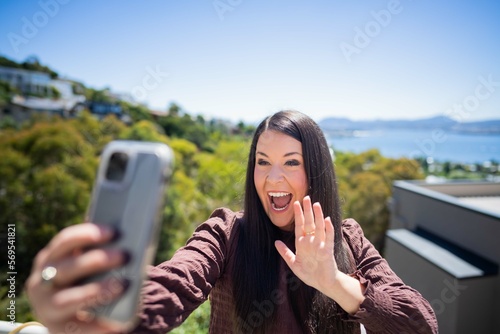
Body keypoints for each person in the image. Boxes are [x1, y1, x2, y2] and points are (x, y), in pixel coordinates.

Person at [26, 110, 438, 333]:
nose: (272, 178)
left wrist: (333, 282)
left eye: (291, 163)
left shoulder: (347, 238)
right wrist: (102, 307)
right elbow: (176, 280)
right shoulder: (228, 233)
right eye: (262, 162)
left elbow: (421, 325)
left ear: (316, 172)